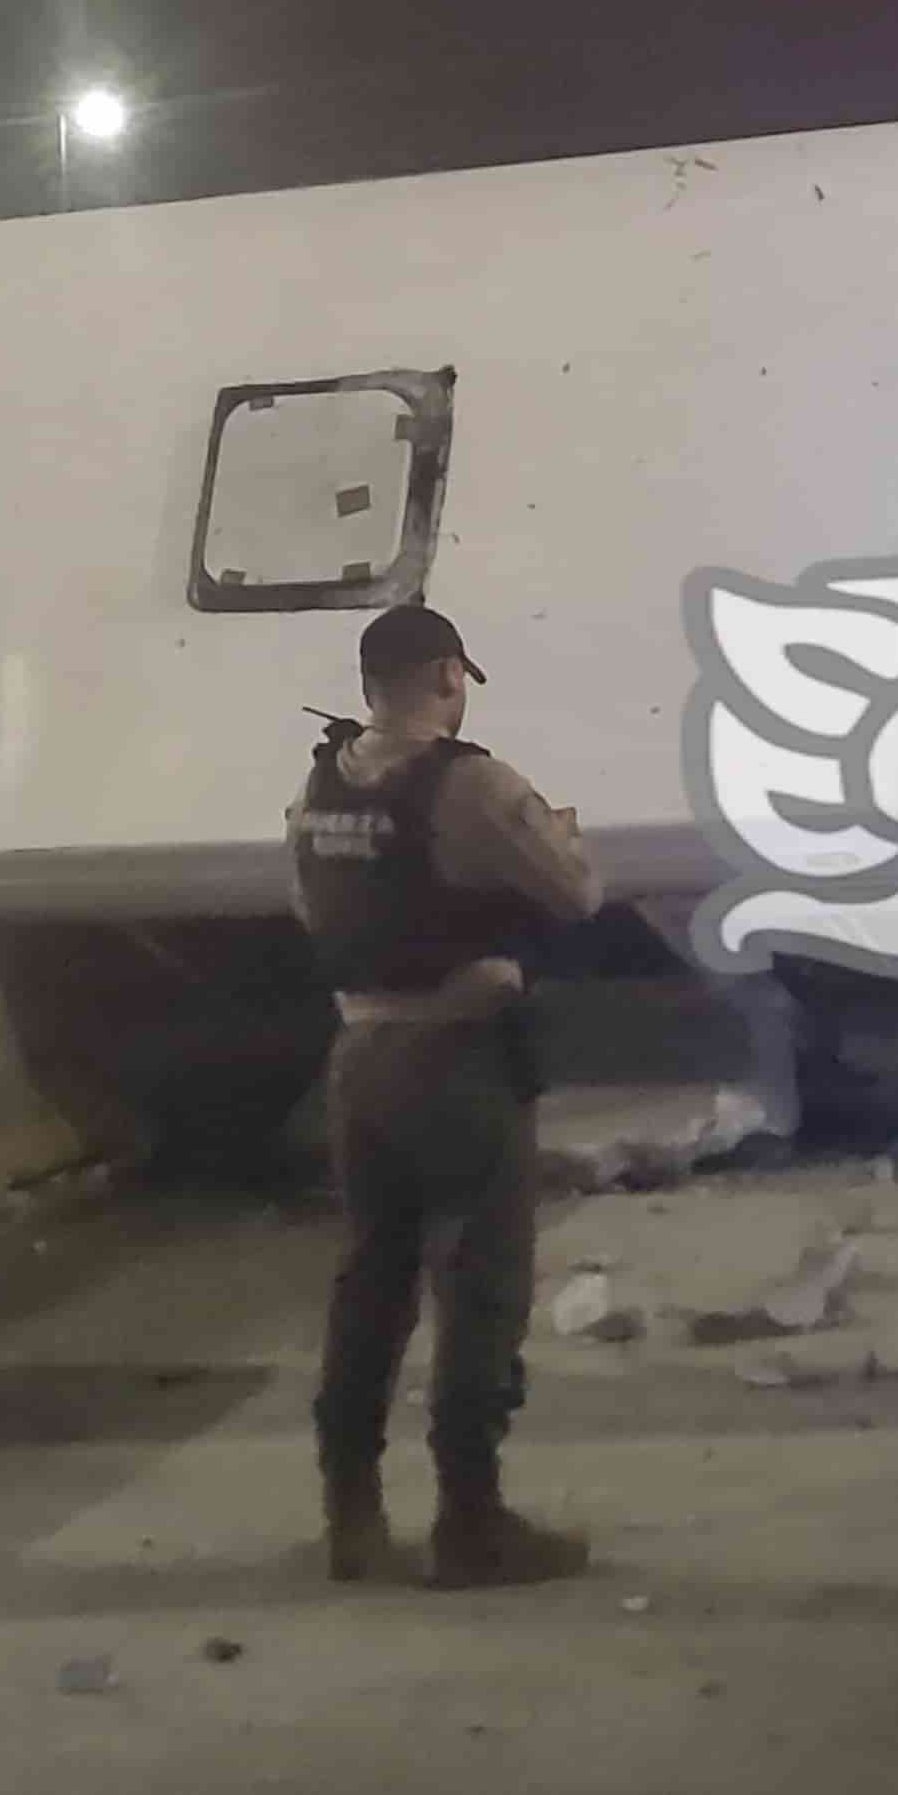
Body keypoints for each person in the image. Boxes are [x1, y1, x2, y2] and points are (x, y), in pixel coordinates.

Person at [289, 602, 603, 1587]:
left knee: (370, 1287)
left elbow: (314, 908)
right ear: (445, 677)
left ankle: (352, 1515)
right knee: (480, 1288)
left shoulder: (318, 787)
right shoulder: (469, 786)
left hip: (358, 1057)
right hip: (457, 1060)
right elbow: (575, 896)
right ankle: (472, 1523)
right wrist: (559, 840)